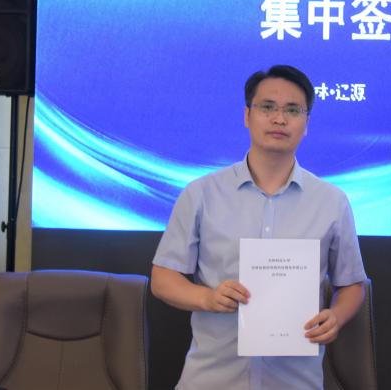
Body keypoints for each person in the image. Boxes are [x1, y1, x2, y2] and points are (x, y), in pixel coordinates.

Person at [152, 64, 367, 389]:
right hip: (211, 379)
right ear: (247, 115)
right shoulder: (202, 193)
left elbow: (352, 285)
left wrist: (335, 317)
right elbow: (163, 278)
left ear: (306, 123)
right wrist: (208, 298)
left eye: (292, 110)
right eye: (267, 107)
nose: (279, 119)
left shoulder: (331, 201)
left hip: (296, 381)